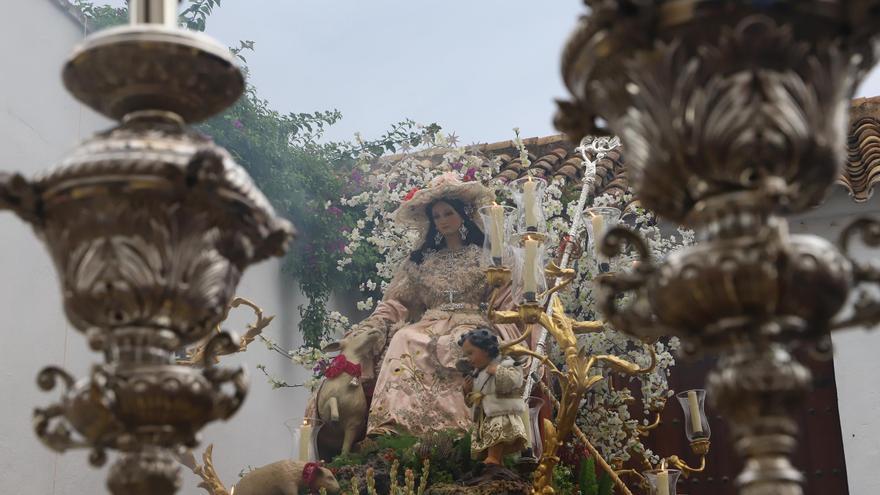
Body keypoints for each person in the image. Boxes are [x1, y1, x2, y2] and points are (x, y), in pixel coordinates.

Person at [353, 172, 524, 437]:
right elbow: (398, 301)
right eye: (437, 216)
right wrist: (375, 323)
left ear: (463, 214)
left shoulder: (486, 256)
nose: (443, 221)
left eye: (448, 213)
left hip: (472, 322)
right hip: (429, 323)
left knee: (463, 344)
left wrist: (508, 327)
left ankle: (463, 429)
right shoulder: (421, 262)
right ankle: (396, 424)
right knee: (403, 337)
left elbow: (501, 297)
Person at [459, 328, 528, 464]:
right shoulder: (477, 373)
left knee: (497, 432)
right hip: (484, 414)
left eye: (471, 353)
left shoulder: (505, 363)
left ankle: (494, 458)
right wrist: (467, 390)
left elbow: (516, 379)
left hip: (500, 411)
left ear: (485, 349)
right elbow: (472, 399)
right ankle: (496, 462)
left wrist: (498, 370)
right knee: (487, 436)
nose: (469, 359)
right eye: (466, 355)